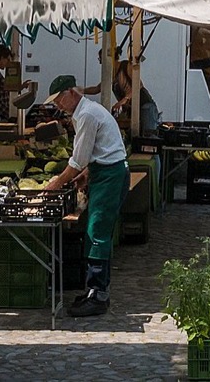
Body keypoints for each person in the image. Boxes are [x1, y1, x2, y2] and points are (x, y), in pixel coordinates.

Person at [40, 75, 129, 317]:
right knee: (96, 231)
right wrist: (87, 174)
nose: (57, 105)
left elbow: (78, 159)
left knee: (97, 232)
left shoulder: (87, 114)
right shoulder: (84, 112)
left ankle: (98, 295)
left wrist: (57, 183)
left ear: (71, 92)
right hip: (104, 172)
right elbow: (99, 150)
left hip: (110, 176)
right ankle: (94, 291)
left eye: (59, 99)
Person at [112, 63, 160, 138]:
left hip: (145, 105)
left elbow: (138, 85)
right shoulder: (112, 76)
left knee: (148, 136)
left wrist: (124, 99)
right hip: (133, 109)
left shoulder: (125, 66)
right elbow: (97, 88)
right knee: (132, 136)